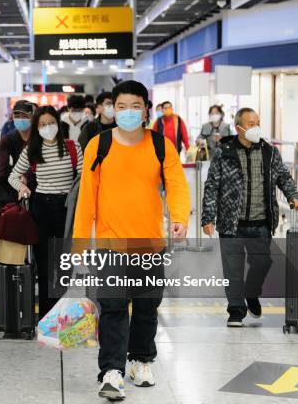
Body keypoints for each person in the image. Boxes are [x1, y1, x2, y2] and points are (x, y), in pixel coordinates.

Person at [73, 80, 189, 400]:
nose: (125, 112)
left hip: (150, 242)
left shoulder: (159, 144)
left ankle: (140, 359)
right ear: (112, 108)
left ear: (145, 111)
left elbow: (176, 183)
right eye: (119, 106)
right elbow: (87, 197)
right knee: (112, 306)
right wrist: (81, 244)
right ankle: (112, 370)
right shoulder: (100, 144)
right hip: (111, 243)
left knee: (147, 305)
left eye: (133, 106)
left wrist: (179, 217)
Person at [202, 107, 298, 327]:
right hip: (230, 223)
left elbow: (284, 178)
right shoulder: (223, 151)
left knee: (263, 262)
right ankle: (236, 310)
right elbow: (212, 185)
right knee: (233, 269)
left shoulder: (269, 152)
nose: (256, 127)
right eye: (251, 124)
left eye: (258, 122)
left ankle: (251, 292)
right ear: (239, 128)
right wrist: (208, 217)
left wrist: (293, 196)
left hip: (261, 222)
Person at [8, 105, 83, 318]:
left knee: (64, 263)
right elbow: (13, 176)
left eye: (50, 123)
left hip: (66, 209)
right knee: (44, 263)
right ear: (36, 127)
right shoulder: (32, 150)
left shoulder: (72, 147)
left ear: (58, 124)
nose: (47, 128)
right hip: (40, 207)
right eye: (42, 125)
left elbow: (84, 177)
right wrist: (22, 187)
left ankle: (62, 312)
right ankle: (46, 316)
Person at [0, 100, 36, 180]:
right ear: (13, 117)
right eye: (17, 116)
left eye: (25, 116)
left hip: (39, 185)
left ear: (33, 117)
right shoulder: (7, 140)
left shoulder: (39, 138)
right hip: (14, 183)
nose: (21, 119)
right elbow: (2, 170)